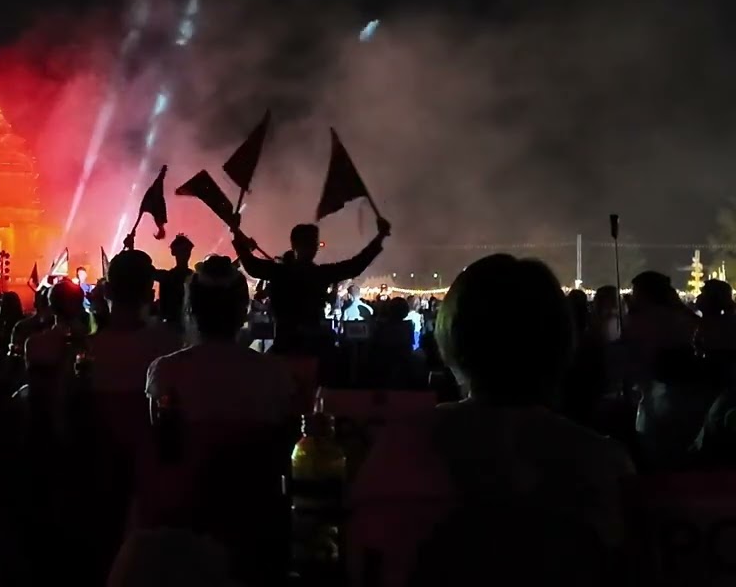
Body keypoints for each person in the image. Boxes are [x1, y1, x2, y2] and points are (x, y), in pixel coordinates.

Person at [350, 254, 634, 587]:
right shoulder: (604, 464)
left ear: (452, 337)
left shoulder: (399, 450)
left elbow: (364, 560)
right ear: (560, 341)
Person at [141, 255, 298, 585]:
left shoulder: (167, 371)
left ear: (191, 309)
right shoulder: (275, 373)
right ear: (242, 311)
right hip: (257, 521)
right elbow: (286, 453)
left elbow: (163, 451)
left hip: (184, 521)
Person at [233, 217, 390, 355]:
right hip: (312, 346)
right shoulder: (320, 274)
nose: (313, 248)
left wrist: (236, 232)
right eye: (310, 243)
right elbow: (355, 265)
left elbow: (251, 264)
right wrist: (379, 238)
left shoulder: (279, 271)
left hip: (284, 343)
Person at [154, 234, 195, 327]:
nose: (186, 254)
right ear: (174, 252)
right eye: (183, 250)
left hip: (184, 326)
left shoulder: (194, 278)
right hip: (171, 325)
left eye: (187, 250)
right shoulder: (167, 276)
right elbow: (142, 269)